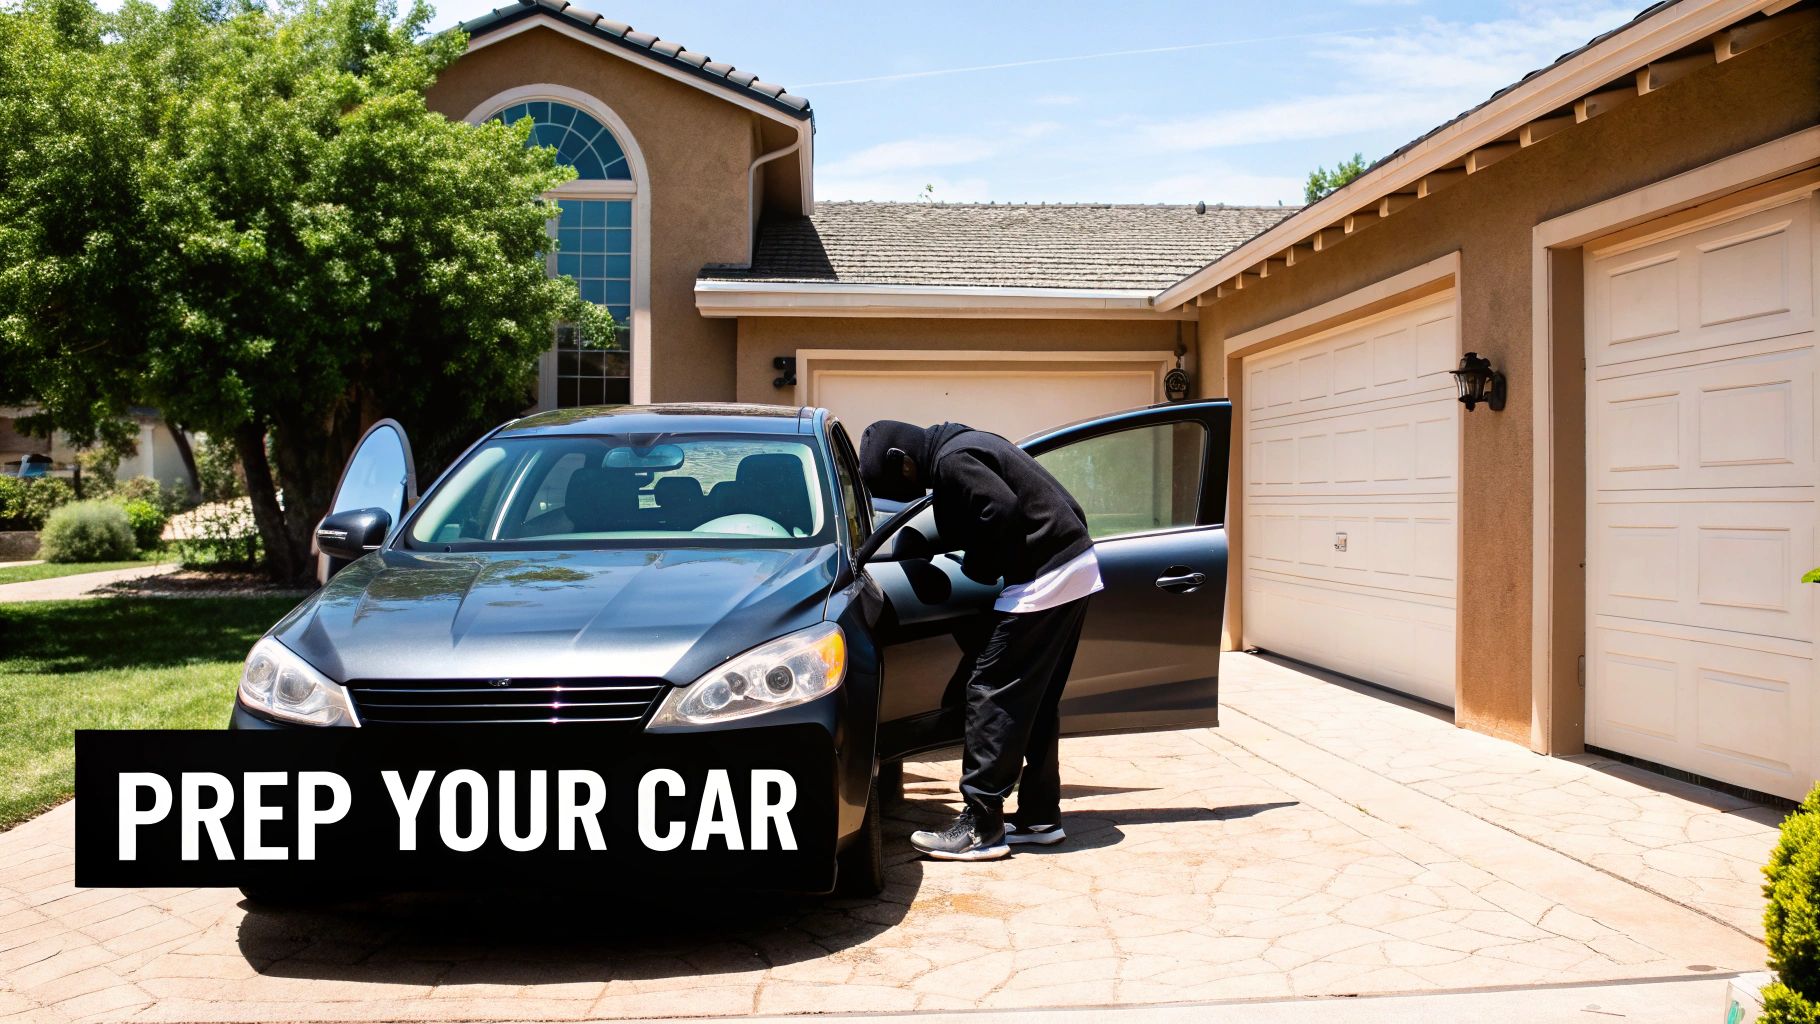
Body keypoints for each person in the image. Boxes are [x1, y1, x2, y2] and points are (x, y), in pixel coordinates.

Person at [858, 420, 1102, 861]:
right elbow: (1062, 503)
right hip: (1073, 563)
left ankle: (982, 825)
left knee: (991, 692)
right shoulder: (970, 442)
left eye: (899, 485)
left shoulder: (953, 460)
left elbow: (1001, 512)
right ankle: (1041, 818)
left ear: (903, 462)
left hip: (1044, 577)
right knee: (1036, 700)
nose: (907, 493)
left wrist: (984, 567)